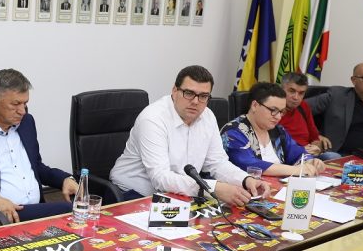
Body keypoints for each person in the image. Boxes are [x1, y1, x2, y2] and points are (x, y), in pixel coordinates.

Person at [110, 65, 270, 203]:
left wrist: (245, 179)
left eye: (203, 96)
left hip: (179, 192)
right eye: (188, 93)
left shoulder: (208, 116)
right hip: (132, 193)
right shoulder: (153, 119)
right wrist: (211, 188)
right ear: (174, 91)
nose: (195, 101)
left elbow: (217, 163)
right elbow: (160, 178)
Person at [0, 69, 79, 222]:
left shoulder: (27, 122)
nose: (22, 111)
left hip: (37, 208)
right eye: (16, 104)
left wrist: (64, 179)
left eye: (25, 103)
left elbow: (36, 166)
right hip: (0, 215)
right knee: (72, 211)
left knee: (80, 211)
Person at [221, 82, 325, 177]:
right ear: (255, 105)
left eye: (281, 111)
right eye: (273, 110)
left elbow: (298, 153)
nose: (278, 117)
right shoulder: (233, 132)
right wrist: (296, 170)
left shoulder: (278, 130)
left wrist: (310, 162)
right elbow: (250, 164)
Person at [278, 73, 338, 160]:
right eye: (292, 91)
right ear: (281, 90)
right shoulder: (273, 110)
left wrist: (317, 148)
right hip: (287, 155)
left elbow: (315, 138)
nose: (296, 97)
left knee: (334, 156)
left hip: (308, 154)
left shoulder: (303, 106)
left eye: (301, 93)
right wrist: (301, 150)